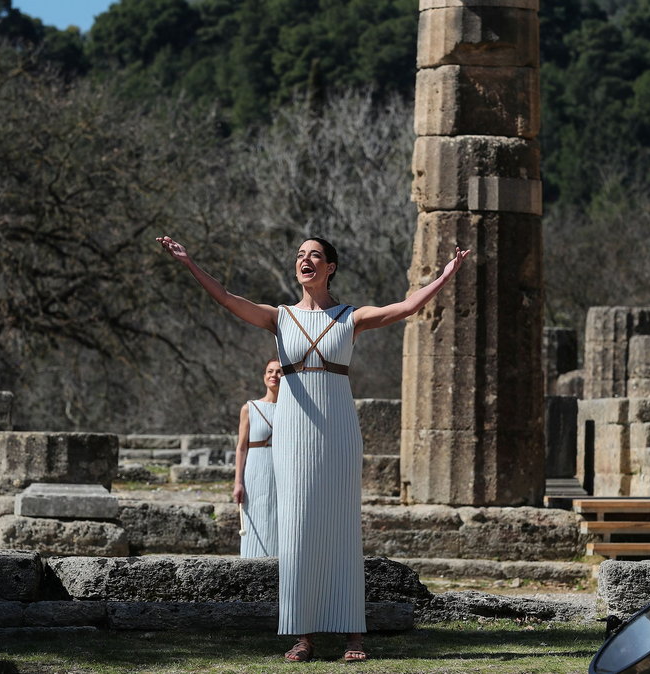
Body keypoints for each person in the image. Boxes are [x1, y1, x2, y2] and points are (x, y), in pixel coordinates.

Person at [158, 235, 469, 662]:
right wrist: (190, 263)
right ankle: (302, 634)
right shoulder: (280, 317)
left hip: (338, 429)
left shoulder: (349, 317)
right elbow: (228, 299)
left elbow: (406, 307)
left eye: (314, 256)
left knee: (342, 527)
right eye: (300, 255)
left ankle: (354, 635)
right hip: (292, 432)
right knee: (297, 528)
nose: (305, 260)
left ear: (330, 267)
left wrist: (446, 275)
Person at [234, 358, 282, 558]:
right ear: (264, 377)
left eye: (279, 372)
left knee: (279, 521)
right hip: (255, 470)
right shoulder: (250, 408)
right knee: (256, 515)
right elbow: (241, 448)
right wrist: (238, 482)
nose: (274, 375)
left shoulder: (294, 410)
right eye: (270, 371)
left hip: (282, 470)